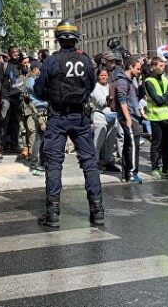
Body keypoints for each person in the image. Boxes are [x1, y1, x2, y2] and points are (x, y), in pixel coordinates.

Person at [33, 20, 104, 229]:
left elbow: (38, 90)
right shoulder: (85, 60)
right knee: (89, 163)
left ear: (58, 39)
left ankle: (53, 213)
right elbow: (90, 86)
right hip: (80, 117)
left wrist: (53, 97)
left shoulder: (51, 61)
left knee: (54, 164)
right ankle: (97, 211)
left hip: (57, 116)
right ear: (75, 39)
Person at [143, 55, 168, 180]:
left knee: (167, 144)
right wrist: (165, 99)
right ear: (153, 67)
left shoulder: (164, 79)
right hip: (155, 116)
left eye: (164, 65)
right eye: (160, 65)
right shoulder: (148, 81)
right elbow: (157, 100)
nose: (163, 68)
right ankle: (155, 168)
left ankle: (166, 168)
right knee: (156, 144)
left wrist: (165, 99)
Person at [114, 54, 143, 184]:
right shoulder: (122, 81)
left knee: (130, 144)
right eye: (137, 68)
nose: (139, 71)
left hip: (132, 115)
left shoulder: (129, 80)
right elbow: (122, 100)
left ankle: (127, 173)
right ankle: (131, 173)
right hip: (128, 116)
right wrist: (127, 118)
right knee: (132, 144)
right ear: (130, 67)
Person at [89, 66, 118, 171]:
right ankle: (95, 162)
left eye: (105, 75)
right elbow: (101, 102)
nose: (103, 77)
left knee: (111, 141)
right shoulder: (95, 87)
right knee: (98, 141)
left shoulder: (110, 86)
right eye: (101, 75)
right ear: (98, 76)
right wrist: (111, 98)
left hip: (112, 115)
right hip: (99, 114)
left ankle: (109, 161)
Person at [24, 58, 48, 176]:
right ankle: (34, 163)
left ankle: (42, 162)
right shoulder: (31, 81)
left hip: (42, 109)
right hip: (38, 110)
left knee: (43, 137)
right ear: (35, 69)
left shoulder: (34, 80)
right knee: (39, 137)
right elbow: (40, 92)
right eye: (40, 69)